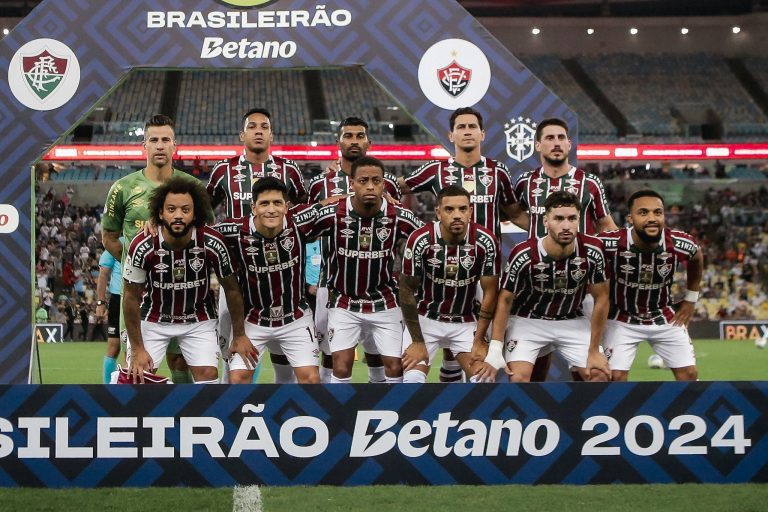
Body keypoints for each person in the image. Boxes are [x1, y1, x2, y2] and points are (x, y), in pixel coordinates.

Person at [399, 107, 521, 383]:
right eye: (461, 127)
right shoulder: (437, 170)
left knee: (478, 352)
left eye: (472, 126)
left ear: (482, 133)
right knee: (443, 314)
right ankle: (447, 373)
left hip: (484, 268)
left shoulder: (498, 172)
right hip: (440, 265)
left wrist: (549, 227)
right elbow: (398, 187)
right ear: (451, 134)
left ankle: (456, 381)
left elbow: (514, 213)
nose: (467, 131)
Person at [506, 117, 618, 381]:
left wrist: (612, 252)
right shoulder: (526, 182)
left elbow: (606, 224)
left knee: (591, 367)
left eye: (560, 138)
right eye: (549, 138)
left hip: (582, 286)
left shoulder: (589, 183)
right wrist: (537, 228)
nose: (556, 143)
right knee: (537, 367)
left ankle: (582, 418)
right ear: (537, 145)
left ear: (569, 144)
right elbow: (514, 212)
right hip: (537, 287)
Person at [102, 114, 206, 383]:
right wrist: (137, 263)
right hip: (140, 297)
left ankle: (184, 421)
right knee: (139, 361)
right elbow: (110, 238)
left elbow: (205, 235)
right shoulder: (122, 188)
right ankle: (139, 421)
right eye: (154, 140)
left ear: (175, 146)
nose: (160, 145)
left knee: (181, 361)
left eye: (165, 140)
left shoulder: (192, 187)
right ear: (144, 146)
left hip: (183, 294)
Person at [206, 107, 307, 384]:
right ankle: (231, 412)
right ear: (242, 134)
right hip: (235, 277)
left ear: (272, 134)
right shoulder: (223, 170)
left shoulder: (290, 170)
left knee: (284, 354)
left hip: (281, 275)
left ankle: (282, 413)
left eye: (264, 126)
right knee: (232, 351)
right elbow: (203, 214)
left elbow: (305, 215)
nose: (259, 130)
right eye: (252, 126)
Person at [123, 177, 254, 384]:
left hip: (198, 319)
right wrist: (138, 348)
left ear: (195, 214)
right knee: (137, 378)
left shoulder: (212, 243)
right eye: (171, 209)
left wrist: (239, 335)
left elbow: (232, 290)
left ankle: (202, 416)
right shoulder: (143, 245)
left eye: (185, 210)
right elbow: (130, 297)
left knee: (208, 378)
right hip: (153, 318)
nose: (178, 215)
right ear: (160, 212)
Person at [215, 177, 341, 384]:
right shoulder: (233, 230)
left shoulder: (299, 221)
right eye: (264, 204)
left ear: (287, 206)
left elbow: (329, 204)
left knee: (311, 380)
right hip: (253, 320)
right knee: (237, 380)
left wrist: (373, 196)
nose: (271, 209)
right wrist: (155, 222)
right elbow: (198, 232)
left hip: (295, 319)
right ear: (253, 208)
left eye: (277, 203)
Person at [309, 156, 422, 383]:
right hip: (343, 301)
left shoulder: (399, 215)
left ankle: (389, 413)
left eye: (376, 181)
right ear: (351, 183)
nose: (370, 186)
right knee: (340, 367)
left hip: (385, 301)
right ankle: (339, 417)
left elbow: (427, 241)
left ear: (383, 184)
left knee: (394, 367)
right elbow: (296, 227)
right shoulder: (332, 213)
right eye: (363, 181)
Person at [308, 117, 400, 383]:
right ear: (339, 142)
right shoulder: (319, 184)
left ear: (369, 143)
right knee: (330, 352)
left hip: (379, 285)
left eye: (360, 136)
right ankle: (331, 405)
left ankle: (376, 406)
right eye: (348, 136)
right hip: (332, 283)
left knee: (377, 352)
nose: (354, 141)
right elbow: (304, 222)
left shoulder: (387, 183)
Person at [488, 191, 610, 382]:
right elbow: (505, 299)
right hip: (528, 320)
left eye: (572, 218)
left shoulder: (593, 251)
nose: (566, 225)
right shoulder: (524, 254)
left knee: (599, 375)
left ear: (579, 220)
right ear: (545, 221)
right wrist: (496, 346)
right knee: (519, 379)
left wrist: (594, 349)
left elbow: (601, 298)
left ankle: (583, 413)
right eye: (559, 219)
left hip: (572, 319)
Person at [400, 186, 500, 383]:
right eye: (449, 209)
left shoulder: (485, 240)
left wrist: (479, 339)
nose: (457, 215)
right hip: (426, 320)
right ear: (438, 212)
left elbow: (490, 292)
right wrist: (417, 341)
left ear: (470, 211)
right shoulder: (421, 239)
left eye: (463, 209)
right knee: (411, 380)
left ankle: (462, 413)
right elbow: (406, 290)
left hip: (465, 321)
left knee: (484, 380)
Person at [599, 189, 702, 381]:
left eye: (658, 212)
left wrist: (690, 299)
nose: (652, 218)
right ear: (630, 218)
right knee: (614, 377)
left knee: (689, 375)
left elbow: (696, 257)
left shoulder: (680, 242)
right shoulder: (611, 242)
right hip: (622, 318)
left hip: (664, 316)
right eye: (643, 212)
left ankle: (683, 412)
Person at [97, 246, 123, 383]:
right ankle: (108, 387)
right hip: (119, 297)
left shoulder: (146, 239)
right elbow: (103, 274)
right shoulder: (116, 243)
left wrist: (101, 302)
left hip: (141, 297)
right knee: (115, 346)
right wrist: (101, 302)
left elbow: (103, 274)